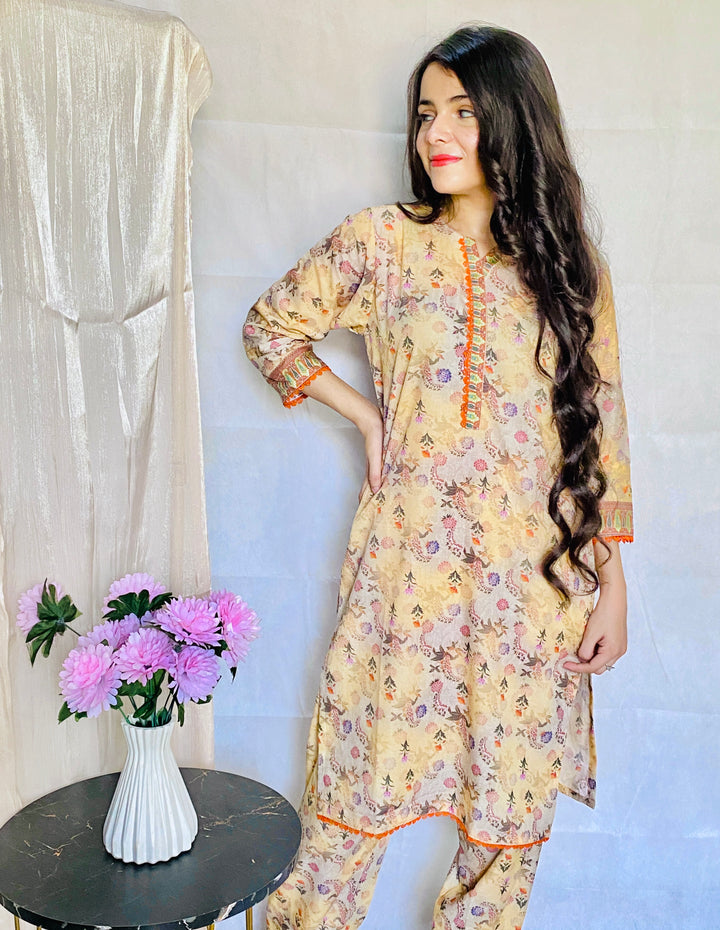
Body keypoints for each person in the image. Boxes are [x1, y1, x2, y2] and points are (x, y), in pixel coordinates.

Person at [243, 24, 633, 930]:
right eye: (425, 114)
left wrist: (613, 585)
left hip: (532, 586)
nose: (437, 134)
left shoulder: (571, 270)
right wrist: (367, 413)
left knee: (507, 817)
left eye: (463, 111)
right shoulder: (381, 242)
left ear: (513, 118)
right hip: (406, 573)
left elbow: (603, 431)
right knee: (353, 790)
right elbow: (270, 327)